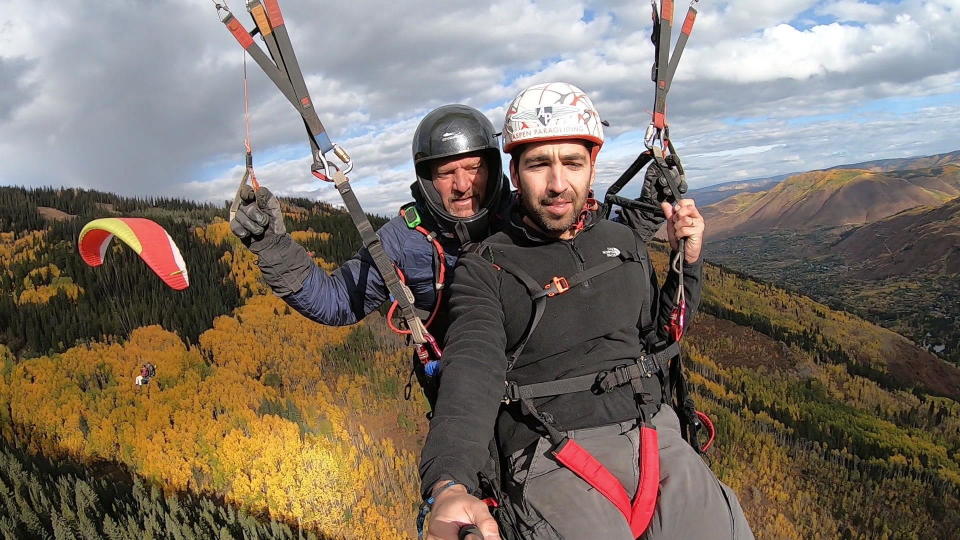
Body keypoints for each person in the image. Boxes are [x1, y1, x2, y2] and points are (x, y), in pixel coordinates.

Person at [418, 82, 752, 540]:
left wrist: (686, 264)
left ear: (592, 166)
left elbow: (662, 338)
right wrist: (449, 484)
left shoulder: (621, 243)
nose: (558, 184)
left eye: (572, 163)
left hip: (656, 435)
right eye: (539, 165)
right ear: (515, 173)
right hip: (549, 455)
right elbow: (470, 376)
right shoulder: (486, 268)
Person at [230, 104, 512, 403]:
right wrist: (273, 246)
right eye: (446, 173)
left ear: (493, 170)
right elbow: (337, 301)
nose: (462, 185)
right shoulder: (404, 240)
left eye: (473, 168)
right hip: (463, 397)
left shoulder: (525, 218)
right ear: (429, 180)